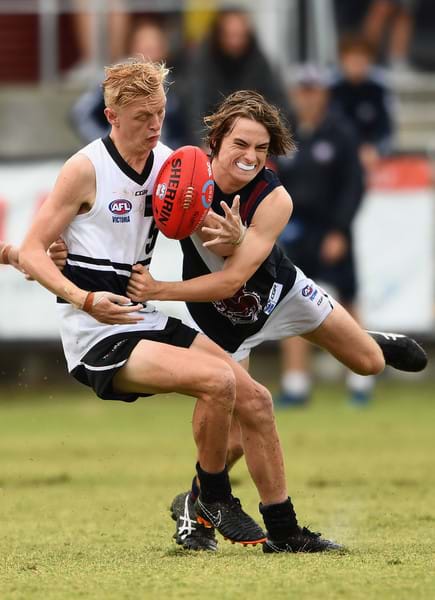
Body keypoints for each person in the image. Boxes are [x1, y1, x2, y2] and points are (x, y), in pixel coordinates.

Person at [0, 61, 343, 554]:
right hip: (96, 332)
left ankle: (284, 532)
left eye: (160, 112)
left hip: (143, 315)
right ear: (112, 116)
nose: (155, 125)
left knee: (257, 400)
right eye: (143, 116)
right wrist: (85, 298)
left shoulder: (170, 164)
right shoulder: (85, 169)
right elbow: (35, 249)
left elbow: (206, 226)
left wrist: (235, 237)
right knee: (219, 381)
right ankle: (214, 499)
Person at [101, 90, 426, 549]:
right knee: (231, 436)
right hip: (221, 323)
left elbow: (233, 280)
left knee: (370, 364)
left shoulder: (275, 199)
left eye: (261, 147)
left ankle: (361, 338)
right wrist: (64, 250)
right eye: (241, 144)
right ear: (216, 141)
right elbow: (117, 210)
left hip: (281, 294)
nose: (251, 156)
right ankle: (196, 504)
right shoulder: (185, 179)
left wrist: (160, 289)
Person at [276, 64, 374, 405]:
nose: (308, 97)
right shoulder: (286, 134)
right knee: (290, 303)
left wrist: (340, 230)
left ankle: (361, 380)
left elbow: (354, 185)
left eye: (314, 90)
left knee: (346, 300)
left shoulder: (340, 132)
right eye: (303, 90)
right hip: (294, 231)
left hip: (331, 228)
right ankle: (295, 383)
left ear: (324, 93)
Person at [71, 19, 190, 149]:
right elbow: (81, 113)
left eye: (155, 46)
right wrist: (106, 145)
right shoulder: (116, 80)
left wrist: (174, 151)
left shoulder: (172, 84)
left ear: (164, 50)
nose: (149, 52)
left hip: (162, 157)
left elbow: (182, 130)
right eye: (145, 46)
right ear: (132, 47)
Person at [185, 7, 288, 144]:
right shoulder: (203, 64)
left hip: (254, 137)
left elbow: (277, 104)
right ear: (219, 35)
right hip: (213, 138)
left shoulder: (259, 63)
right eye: (230, 35)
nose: (235, 42)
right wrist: (204, 142)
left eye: (240, 36)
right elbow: (195, 107)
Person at [330, 35, 395, 170]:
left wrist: (376, 149)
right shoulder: (330, 90)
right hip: (337, 155)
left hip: (371, 156)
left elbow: (386, 129)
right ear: (342, 60)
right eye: (352, 58)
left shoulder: (379, 90)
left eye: (361, 58)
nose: (357, 63)